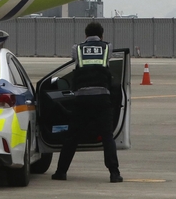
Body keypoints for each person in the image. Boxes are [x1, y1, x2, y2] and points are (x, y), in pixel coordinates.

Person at [52, 21, 123, 183]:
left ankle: (61, 172)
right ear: (102, 35)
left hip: (81, 98)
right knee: (107, 137)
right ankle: (114, 173)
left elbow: (75, 67)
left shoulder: (76, 49)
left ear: (85, 35)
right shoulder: (107, 48)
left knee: (72, 137)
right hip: (102, 98)